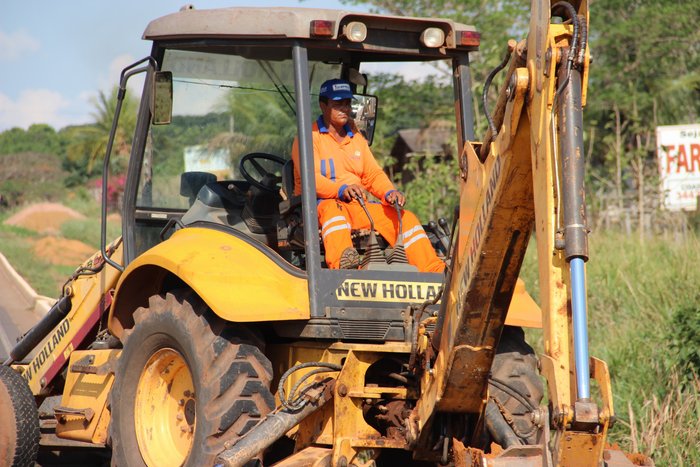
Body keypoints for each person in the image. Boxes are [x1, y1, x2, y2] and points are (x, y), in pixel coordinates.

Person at [291, 79, 444, 273]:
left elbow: (372, 174)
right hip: (319, 206)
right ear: (323, 105)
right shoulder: (308, 137)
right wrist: (341, 189)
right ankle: (344, 269)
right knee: (333, 213)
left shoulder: (356, 138)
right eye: (337, 103)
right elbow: (309, 180)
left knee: (405, 218)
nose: (344, 108)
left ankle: (435, 273)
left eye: (347, 103)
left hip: (358, 205)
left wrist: (389, 192)